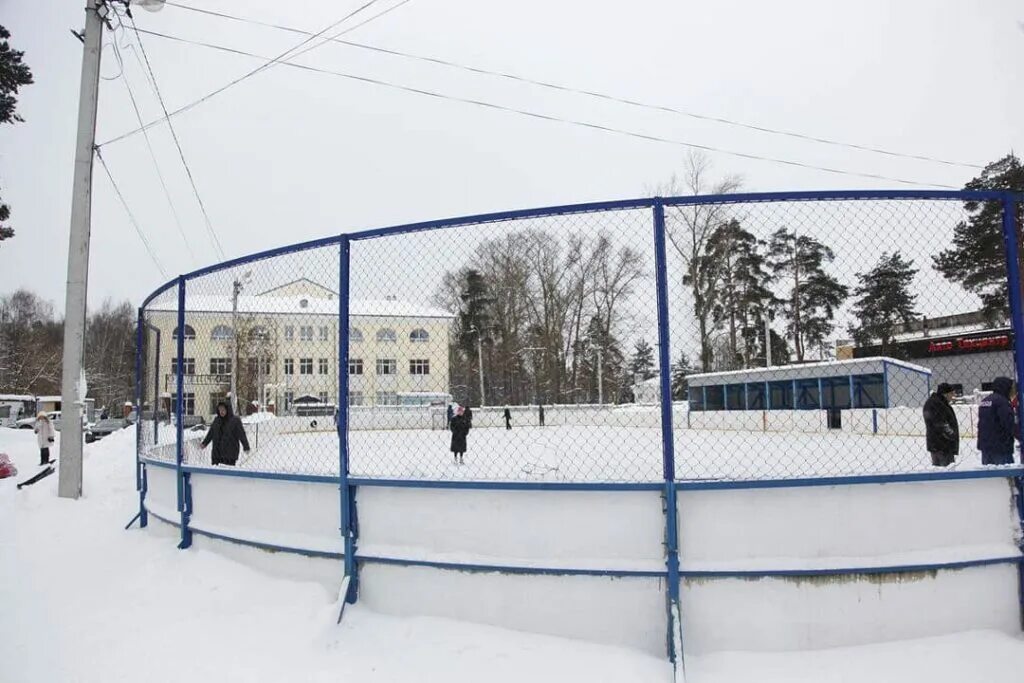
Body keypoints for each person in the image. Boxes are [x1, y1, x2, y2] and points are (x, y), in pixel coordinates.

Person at [977, 377, 1018, 465]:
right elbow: (1008, 423)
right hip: (1001, 446)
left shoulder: (985, 401)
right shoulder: (1002, 402)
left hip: (985, 445)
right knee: (1006, 475)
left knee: (991, 475)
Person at [200, 401, 251, 466]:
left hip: (229, 455)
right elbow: (211, 433)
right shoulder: (217, 420)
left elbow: (242, 434)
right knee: (215, 473)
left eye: (223, 409)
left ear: (228, 409)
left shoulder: (235, 421)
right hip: (216, 454)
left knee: (227, 474)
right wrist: (204, 443)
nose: (221, 411)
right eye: (220, 409)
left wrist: (246, 446)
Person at [922, 383, 959, 467]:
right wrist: (952, 435)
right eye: (951, 393)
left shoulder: (937, 402)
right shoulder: (938, 404)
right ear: (945, 394)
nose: (953, 396)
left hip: (937, 445)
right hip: (942, 445)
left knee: (939, 470)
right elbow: (941, 424)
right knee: (947, 471)